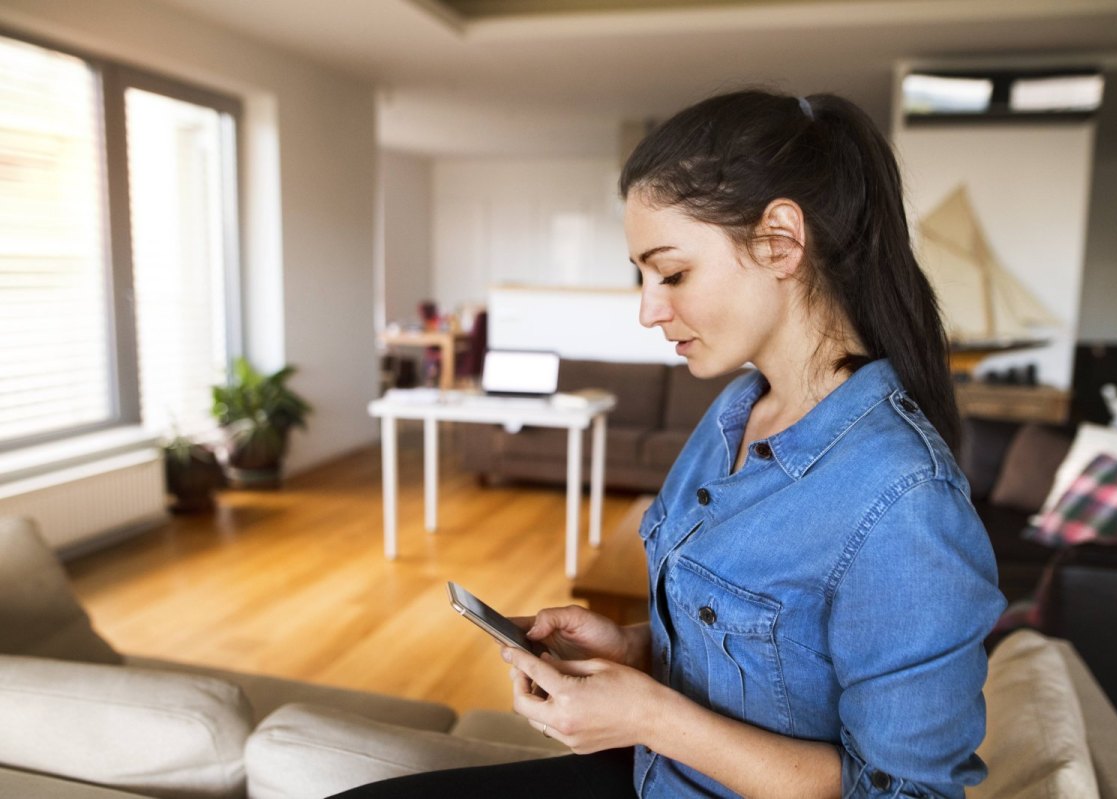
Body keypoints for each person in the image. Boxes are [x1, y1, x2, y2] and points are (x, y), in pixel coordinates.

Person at [331, 89, 1006, 799]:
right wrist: (632, 647)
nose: (649, 309)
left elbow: (906, 793)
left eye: (673, 272)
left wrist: (652, 716)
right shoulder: (734, 415)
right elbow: (773, 656)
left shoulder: (903, 500)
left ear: (780, 240)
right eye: (642, 276)